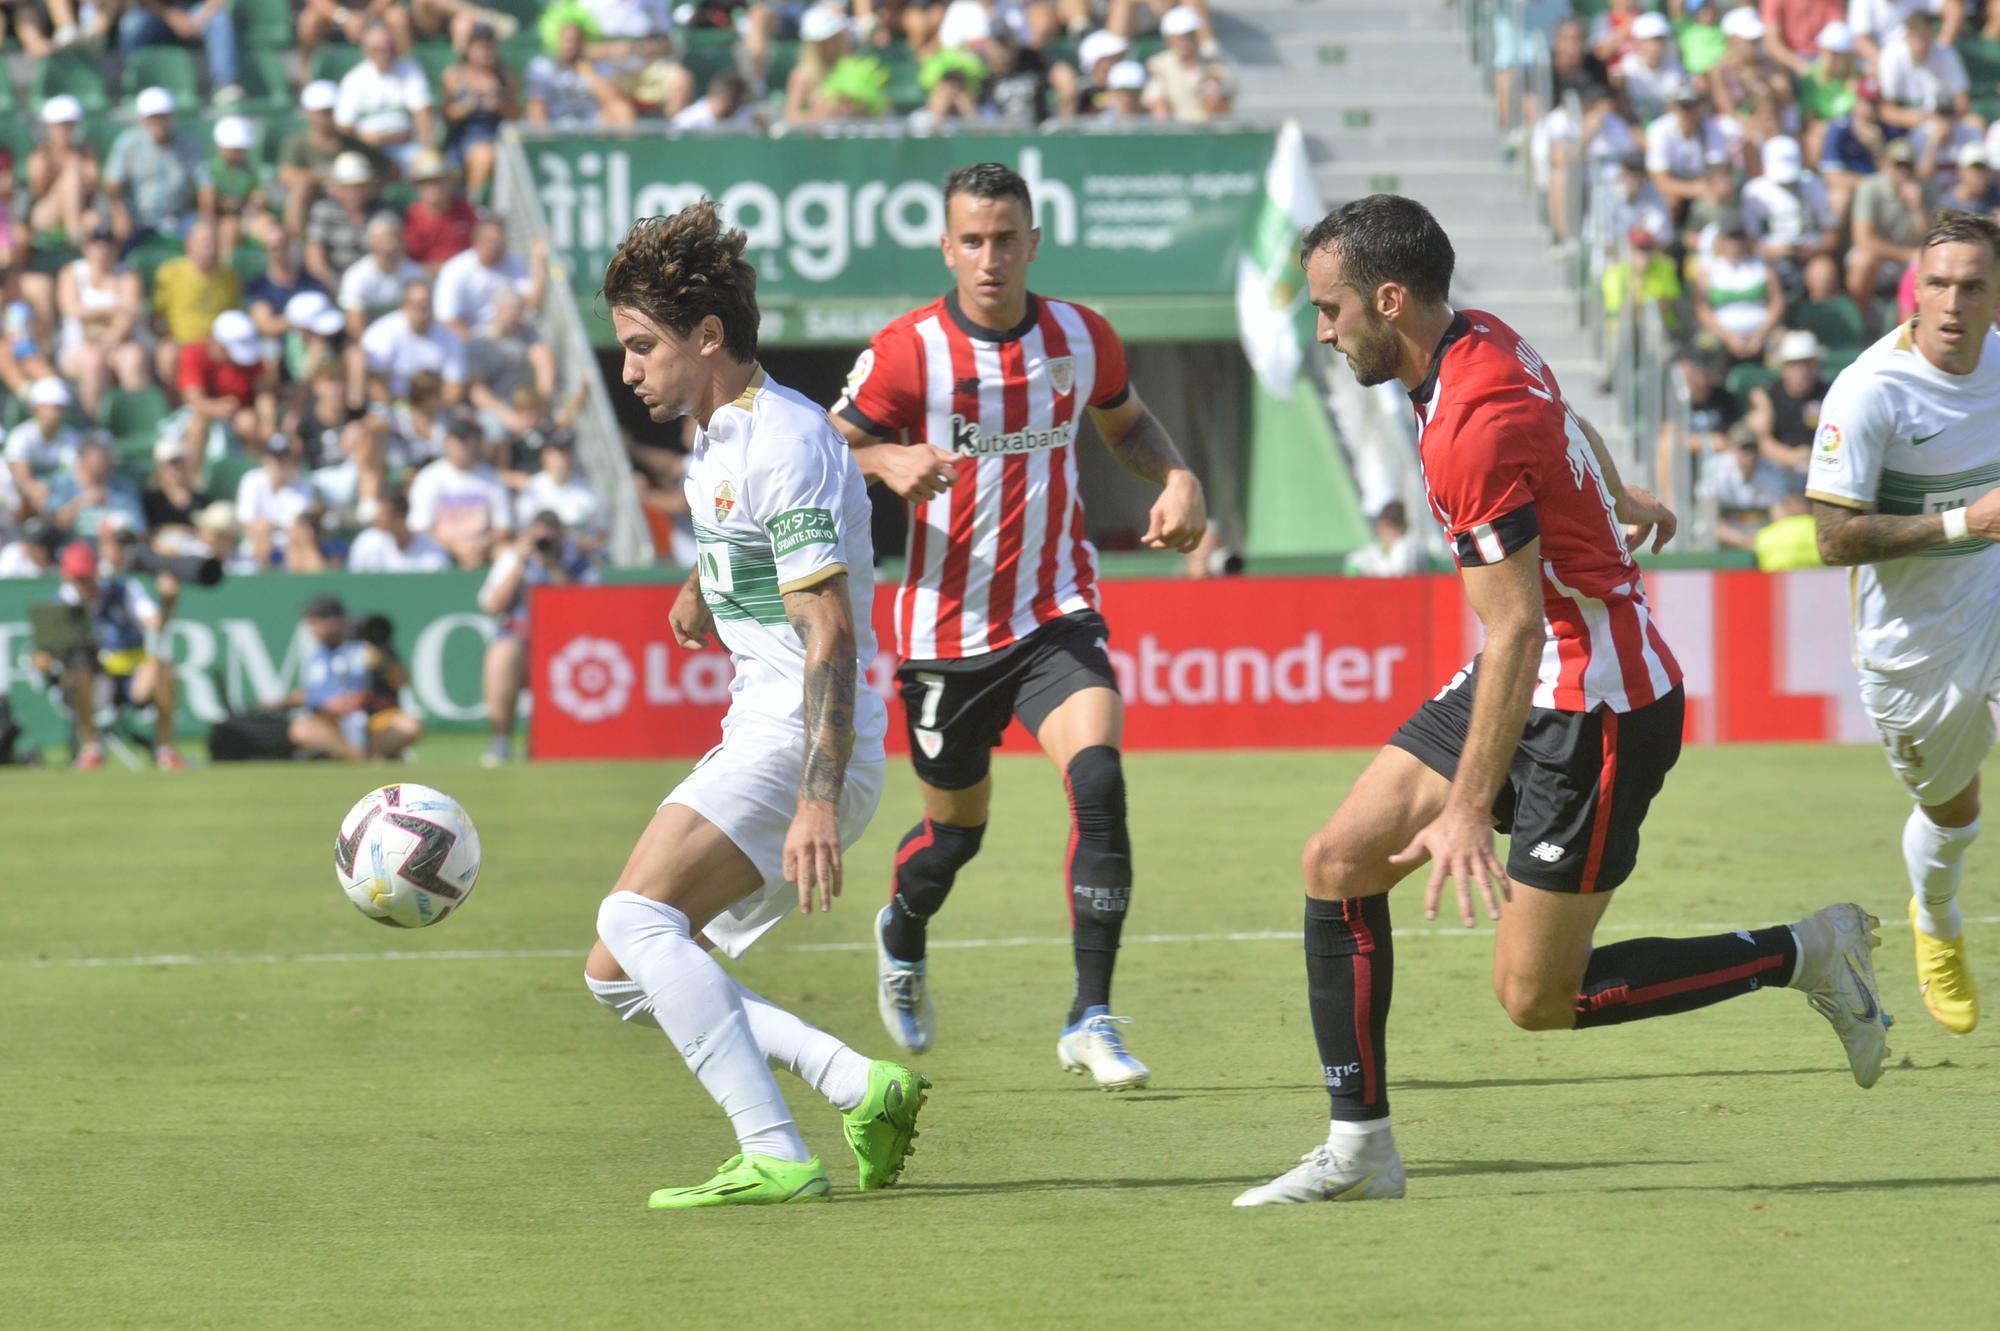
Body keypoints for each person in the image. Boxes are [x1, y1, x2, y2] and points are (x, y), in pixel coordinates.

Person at [1234, 194, 1891, 1208]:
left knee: (1536, 997)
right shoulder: (1477, 339)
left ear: (1389, 298)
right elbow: (1562, 417)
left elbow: (1517, 630)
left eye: (1330, 309)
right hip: (1530, 671)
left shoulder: (1467, 429)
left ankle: (1802, 950)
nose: (1322, 330)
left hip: (1596, 706)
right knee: (1337, 858)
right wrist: (1615, 491)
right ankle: (1359, 1144)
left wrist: (1463, 807)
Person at [830, 162, 1208, 1086]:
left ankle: (1091, 1015)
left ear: (1033, 242)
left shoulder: (1082, 337)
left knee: (1101, 781)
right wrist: (884, 458)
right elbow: (823, 441)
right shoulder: (908, 350)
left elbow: (1124, 424)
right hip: (941, 635)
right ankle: (903, 929)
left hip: (1054, 613)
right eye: (972, 240)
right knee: (955, 835)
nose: (990, 257)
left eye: (1006, 239)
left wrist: (1179, 476)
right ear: (947, 247)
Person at [583, 200, 926, 1209]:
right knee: (619, 967)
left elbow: (831, 630)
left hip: (801, 738)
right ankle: (854, 1081)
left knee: (635, 917)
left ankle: (774, 1146)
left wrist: (818, 798)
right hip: (767, 725)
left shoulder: (786, 439)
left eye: (644, 346)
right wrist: (703, 584)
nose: (629, 368)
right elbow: (753, 547)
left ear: (708, 337)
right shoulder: (718, 436)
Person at [1807, 209, 2000, 1036]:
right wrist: (1966, 523)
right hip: (1913, 643)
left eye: (1973, 286)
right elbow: (1832, 538)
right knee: (1954, 812)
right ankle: (1938, 917)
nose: (1953, 303)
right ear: (1915, 290)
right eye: (1939, 284)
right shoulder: (1869, 390)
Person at [36, 538, 186, 770]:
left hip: (131, 676)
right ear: (66, 577)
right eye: (77, 578)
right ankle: (90, 749)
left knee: (161, 666)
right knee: (78, 672)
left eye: (86, 577)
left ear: (96, 572)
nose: (82, 584)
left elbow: (155, 622)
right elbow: (44, 656)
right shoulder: (61, 605)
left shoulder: (123, 590)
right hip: (93, 684)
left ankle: (164, 749)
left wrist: (169, 600)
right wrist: (45, 663)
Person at [476, 508, 594, 764]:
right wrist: (519, 562)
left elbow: (585, 606)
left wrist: (553, 565)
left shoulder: (576, 560)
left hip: (566, 640)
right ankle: (501, 740)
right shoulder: (514, 558)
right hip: (519, 636)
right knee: (502, 654)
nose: (544, 544)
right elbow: (493, 605)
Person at [287, 593, 425, 761]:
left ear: (332, 622)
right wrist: (329, 703)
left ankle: (352, 755)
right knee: (300, 729)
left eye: (314, 624)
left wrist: (382, 663)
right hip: (335, 725)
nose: (311, 630)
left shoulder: (368, 644)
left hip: (372, 722)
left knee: (410, 726)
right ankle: (358, 756)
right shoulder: (320, 653)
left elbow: (402, 682)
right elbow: (312, 691)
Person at [103, 88, 207, 243]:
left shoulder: (188, 145)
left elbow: (205, 186)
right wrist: (120, 213)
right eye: (153, 118)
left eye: (163, 117)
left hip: (178, 217)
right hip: (137, 217)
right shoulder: (128, 143)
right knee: (116, 229)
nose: (159, 123)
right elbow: (112, 185)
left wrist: (208, 220)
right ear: (143, 119)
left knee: (203, 232)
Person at [407, 412, 509, 566]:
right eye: (457, 439)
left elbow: (503, 526)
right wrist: (456, 547)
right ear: (447, 442)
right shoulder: (429, 477)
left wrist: (480, 546)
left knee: (508, 556)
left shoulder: (492, 478)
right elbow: (420, 527)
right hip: (441, 548)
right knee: (433, 561)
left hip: (484, 548)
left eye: (467, 439)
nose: (462, 445)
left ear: (477, 442)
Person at [1747, 328, 1829, 474]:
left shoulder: (1829, 394)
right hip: (1778, 470)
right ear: (1783, 367)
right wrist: (1791, 457)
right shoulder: (1768, 396)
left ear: (1816, 364)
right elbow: (1761, 441)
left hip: (1822, 467)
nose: (1802, 371)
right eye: (1795, 365)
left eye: (1807, 363)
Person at [347, 489, 452, 572]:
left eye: (384, 515)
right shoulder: (366, 542)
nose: (378, 519)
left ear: (400, 518)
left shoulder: (432, 549)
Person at [1342, 500, 1422, 576]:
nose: (1384, 530)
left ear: (1400, 528)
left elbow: (1398, 571)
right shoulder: (1379, 546)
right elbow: (1358, 558)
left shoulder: (1406, 546)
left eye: (1390, 526)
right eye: (1383, 525)